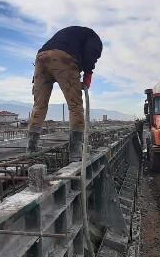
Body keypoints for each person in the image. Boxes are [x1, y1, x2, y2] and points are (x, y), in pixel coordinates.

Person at [27, 26, 103, 161]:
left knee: (39, 105)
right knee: (75, 106)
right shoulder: (94, 38)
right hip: (63, 58)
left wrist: (36, 78)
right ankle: (75, 152)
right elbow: (91, 54)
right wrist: (88, 73)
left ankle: (31, 148)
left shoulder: (71, 34)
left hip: (41, 58)